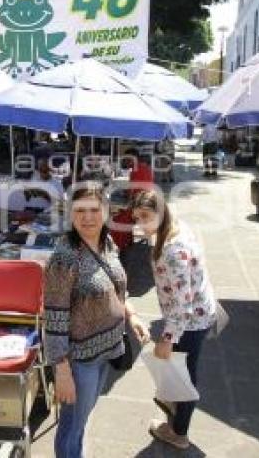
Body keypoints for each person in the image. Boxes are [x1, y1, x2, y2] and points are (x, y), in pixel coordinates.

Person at [44, 182, 148, 458]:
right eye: (80, 210)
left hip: (108, 350)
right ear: (70, 214)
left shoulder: (107, 242)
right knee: (72, 426)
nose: (88, 217)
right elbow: (54, 318)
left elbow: (118, 288)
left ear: (105, 211)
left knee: (83, 419)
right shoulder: (65, 257)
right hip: (81, 361)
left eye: (94, 209)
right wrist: (62, 372)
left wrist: (132, 316)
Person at [131, 189, 217, 451]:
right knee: (181, 370)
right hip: (195, 315)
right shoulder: (174, 228)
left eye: (145, 216)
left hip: (190, 321)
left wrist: (167, 338)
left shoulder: (172, 250)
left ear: (160, 212)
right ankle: (174, 409)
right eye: (136, 218)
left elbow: (183, 304)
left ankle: (179, 433)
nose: (140, 224)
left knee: (185, 377)